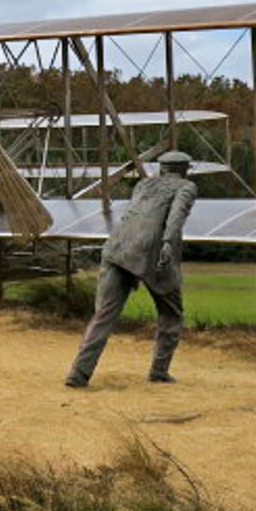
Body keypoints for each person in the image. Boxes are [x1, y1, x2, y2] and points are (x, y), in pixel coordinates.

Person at [65, 150, 196, 388]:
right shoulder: (186, 187)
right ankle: (159, 371)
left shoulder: (143, 184)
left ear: (162, 168)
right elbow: (176, 217)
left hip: (117, 247)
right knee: (172, 313)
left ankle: (79, 373)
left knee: (103, 315)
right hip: (152, 252)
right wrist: (168, 244)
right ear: (184, 169)